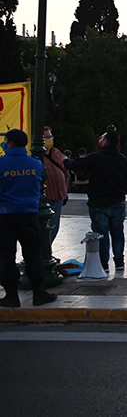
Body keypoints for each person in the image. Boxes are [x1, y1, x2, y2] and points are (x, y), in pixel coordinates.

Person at [64, 125, 127, 271]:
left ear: (105, 142)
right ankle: (119, 261)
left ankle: (103, 264)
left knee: (101, 234)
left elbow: (76, 165)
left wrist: (64, 160)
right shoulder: (122, 158)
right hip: (118, 200)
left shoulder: (95, 157)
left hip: (98, 201)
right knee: (117, 232)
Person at [0, 129, 57, 307]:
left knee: (6, 256)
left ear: (10, 143)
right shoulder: (36, 164)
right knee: (33, 254)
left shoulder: (2, 164)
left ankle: (11, 295)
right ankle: (39, 292)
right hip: (29, 215)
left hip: (5, 216)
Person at [42, 126, 69, 244]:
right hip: (46, 197)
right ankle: (43, 250)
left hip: (59, 196)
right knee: (44, 227)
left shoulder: (57, 152)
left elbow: (66, 173)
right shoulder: (36, 154)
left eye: (50, 137)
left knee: (54, 226)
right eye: (46, 137)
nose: (49, 139)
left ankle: (48, 248)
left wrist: (65, 191)